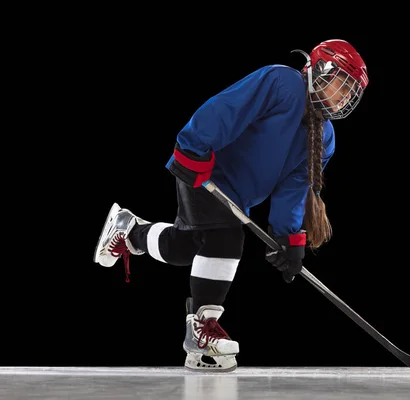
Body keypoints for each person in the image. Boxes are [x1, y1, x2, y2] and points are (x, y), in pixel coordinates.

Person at [93, 39, 369, 372]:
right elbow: (227, 108)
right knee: (226, 239)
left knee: (188, 247)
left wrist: (287, 236)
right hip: (207, 168)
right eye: (342, 84)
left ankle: (131, 232)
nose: (343, 97)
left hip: (237, 195)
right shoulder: (284, 83)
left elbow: (295, 186)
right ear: (320, 71)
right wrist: (194, 145)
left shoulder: (325, 136)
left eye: (350, 91)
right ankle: (203, 329)